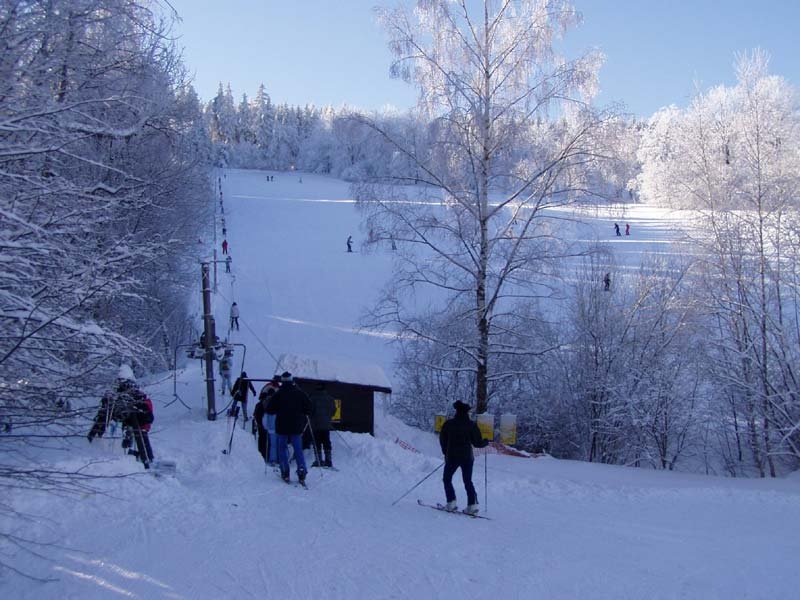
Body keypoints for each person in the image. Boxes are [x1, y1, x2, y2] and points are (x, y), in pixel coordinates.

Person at [87, 365, 155, 469]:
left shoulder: (139, 398)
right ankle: (92, 445)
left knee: (138, 434)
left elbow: (148, 418)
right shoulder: (121, 395)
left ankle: (146, 461)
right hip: (127, 420)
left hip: (135, 422)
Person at [439, 400, 488, 515]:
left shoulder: (448, 424)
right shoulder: (471, 425)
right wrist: (485, 442)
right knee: (467, 480)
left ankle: (451, 502)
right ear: (467, 412)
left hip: (452, 456)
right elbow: (477, 443)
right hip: (467, 457)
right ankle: (472, 505)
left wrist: (445, 452)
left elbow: (442, 440)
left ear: (456, 411)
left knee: (447, 479)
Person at [266, 371, 312, 484]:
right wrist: (302, 411)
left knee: (282, 449)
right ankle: (301, 471)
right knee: (298, 449)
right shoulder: (300, 393)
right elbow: (309, 408)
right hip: (296, 426)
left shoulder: (278, 394)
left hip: (281, 427)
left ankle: (285, 472)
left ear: (282, 381)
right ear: (292, 381)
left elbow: (269, 409)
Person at [309, 382, 336, 467]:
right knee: (326, 442)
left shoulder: (312, 398)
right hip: (326, 424)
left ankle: (318, 460)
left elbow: (310, 411)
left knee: (317, 442)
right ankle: (328, 461)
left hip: (315, 424)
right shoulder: (330, 399)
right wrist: (328, 417)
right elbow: (333, 411)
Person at [252, 388, 273, 462]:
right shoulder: (271, 403)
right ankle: (268, 456)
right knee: (269, 441)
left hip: (260, 425)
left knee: (261, 440)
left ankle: (261, 456)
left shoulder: (259, 404)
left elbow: (255, 414)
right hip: (268, 425)